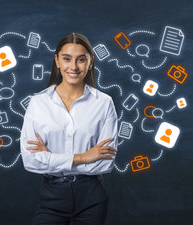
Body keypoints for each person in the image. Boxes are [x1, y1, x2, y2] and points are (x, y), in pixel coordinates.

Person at [20, 32, 118, 225]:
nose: (73, 67)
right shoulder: (38, 103)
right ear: (57, 61)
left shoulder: (104, 103)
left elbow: (105, 163)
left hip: (91, 197)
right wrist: (84, 157)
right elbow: (31, 160)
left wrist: (50, 158)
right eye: (67, 59)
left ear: (90, 63)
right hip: (51, 197)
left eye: (81, 60)